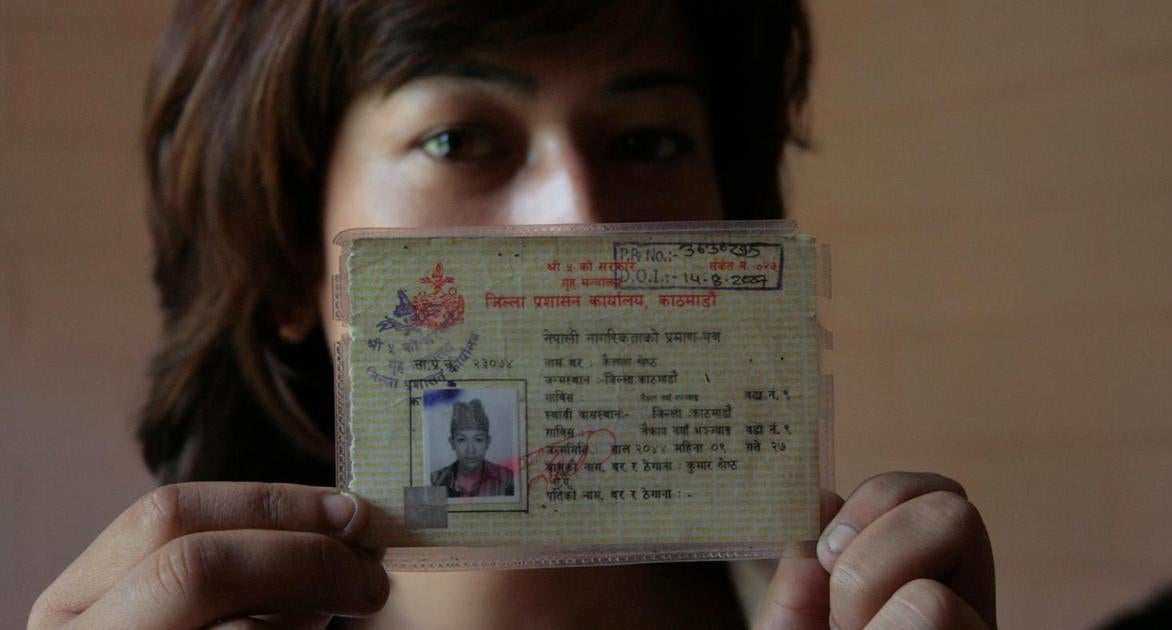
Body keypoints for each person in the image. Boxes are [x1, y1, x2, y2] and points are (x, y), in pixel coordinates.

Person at [29, 1, 996, 628]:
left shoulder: (855, 605)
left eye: (650, 142)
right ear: (289, 257)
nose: (582, 227)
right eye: (459, 139)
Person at [430, 399, 516, 498]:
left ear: (487, 442)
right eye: (461, 440)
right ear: (452, 443)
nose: (470, 450)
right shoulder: (435, 480)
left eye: (478, 439)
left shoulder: (507, 479)